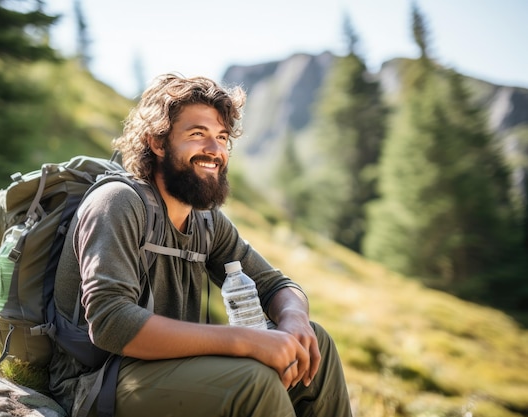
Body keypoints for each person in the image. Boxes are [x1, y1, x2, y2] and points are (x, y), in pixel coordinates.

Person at [49, 73, 353, 417]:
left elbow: (275, 285)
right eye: (198, 134)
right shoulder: (118, 202)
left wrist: (295, 318)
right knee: (254, 381)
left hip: (169, 368)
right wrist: (244, 342)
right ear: (157, 142)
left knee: (315, 343)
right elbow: (111, 323)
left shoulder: (206, 223)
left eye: (222, 137)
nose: (215, 150)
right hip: (97, 381)